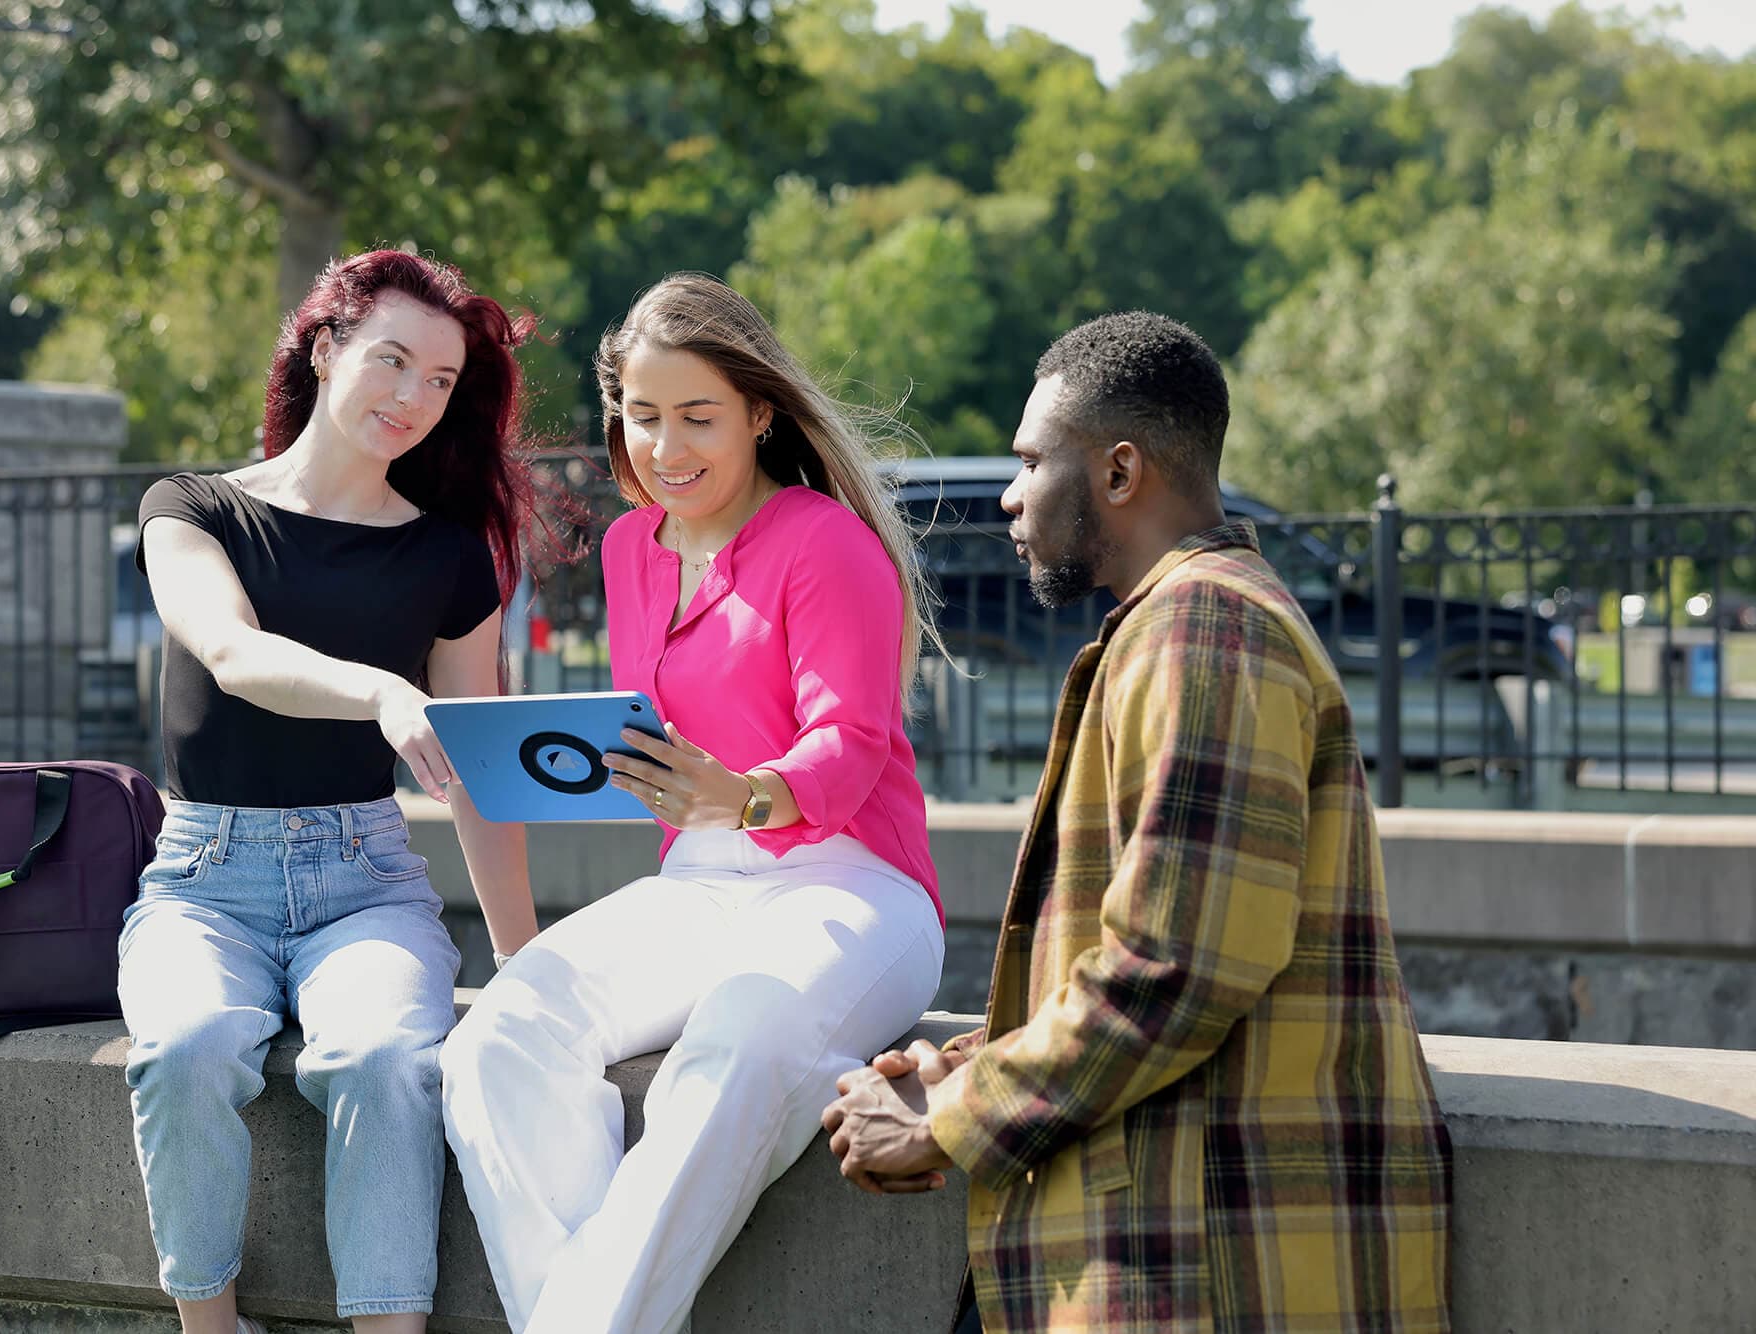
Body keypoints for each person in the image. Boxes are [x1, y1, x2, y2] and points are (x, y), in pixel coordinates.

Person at [820, 311, 1453, 1333]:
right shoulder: (1183, 623)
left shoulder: (1207, 627)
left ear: (1118, 472)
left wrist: (948, 1117)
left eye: (1030, 460)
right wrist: (975, 1059)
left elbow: (1178, 963)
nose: (1007, 494)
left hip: (1206, 1269)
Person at [439, 273, 948, 1334]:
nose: (666, 446)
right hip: (695, 884)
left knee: (741, 1039)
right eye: (643, 414)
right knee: (500, 1035)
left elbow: (849, 744)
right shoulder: (633, 546)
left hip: (853, 884)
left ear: (760, 412)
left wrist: (747, 792)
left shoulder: (825, 541)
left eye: (697, 416)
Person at [123, 249, 543, 1334]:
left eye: (441, 381)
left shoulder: (451, 558)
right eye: (392, 361)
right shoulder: (192, 506)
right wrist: (382, 693)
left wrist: (523, 959)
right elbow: (229, 651)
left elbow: (481, 772)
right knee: (184, 1048)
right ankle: (208, 1327)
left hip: (366, 885)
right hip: (203, 881)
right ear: (324, 348)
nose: (413, 397)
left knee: (384, 1057)